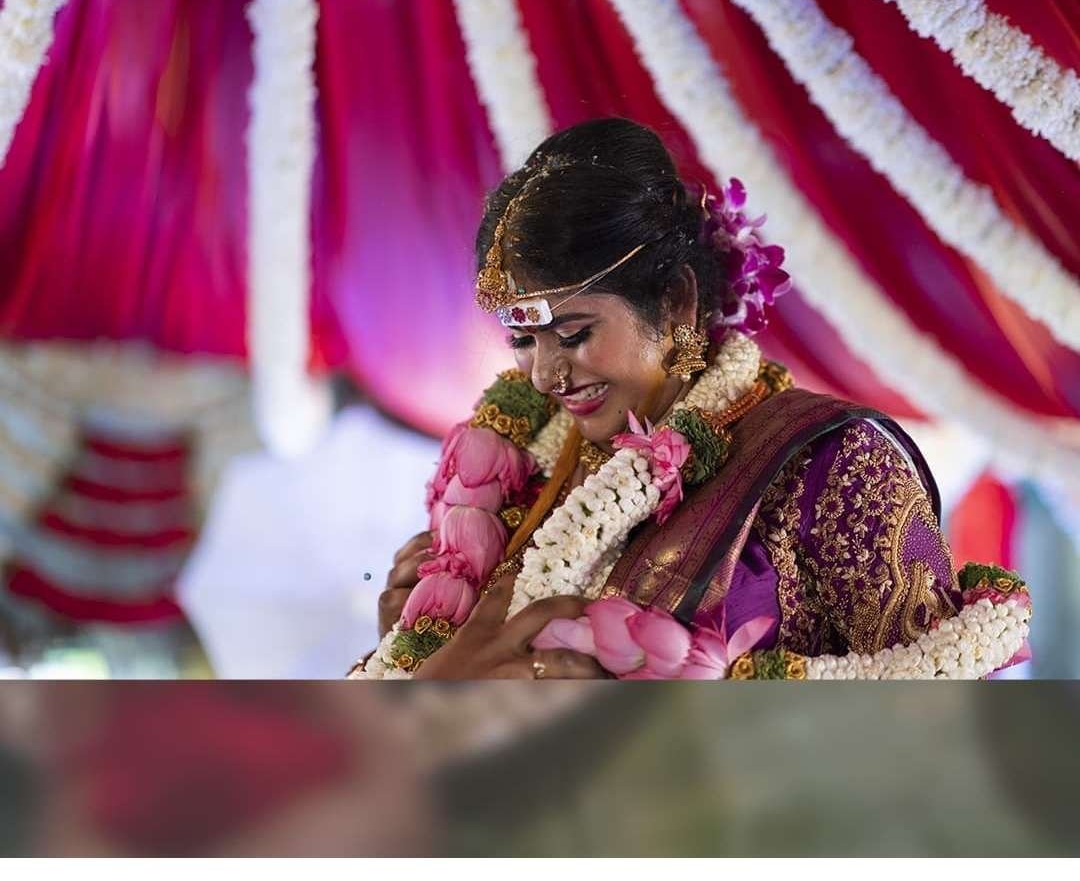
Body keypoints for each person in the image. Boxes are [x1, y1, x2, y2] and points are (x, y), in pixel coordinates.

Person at [355, 118, 1028, 681]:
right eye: (523, 341)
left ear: (676, 299)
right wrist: (414, 647)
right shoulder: (522, 460)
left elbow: (934, 728)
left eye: (574, 334)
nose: (546, 375)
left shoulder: (832, 465)